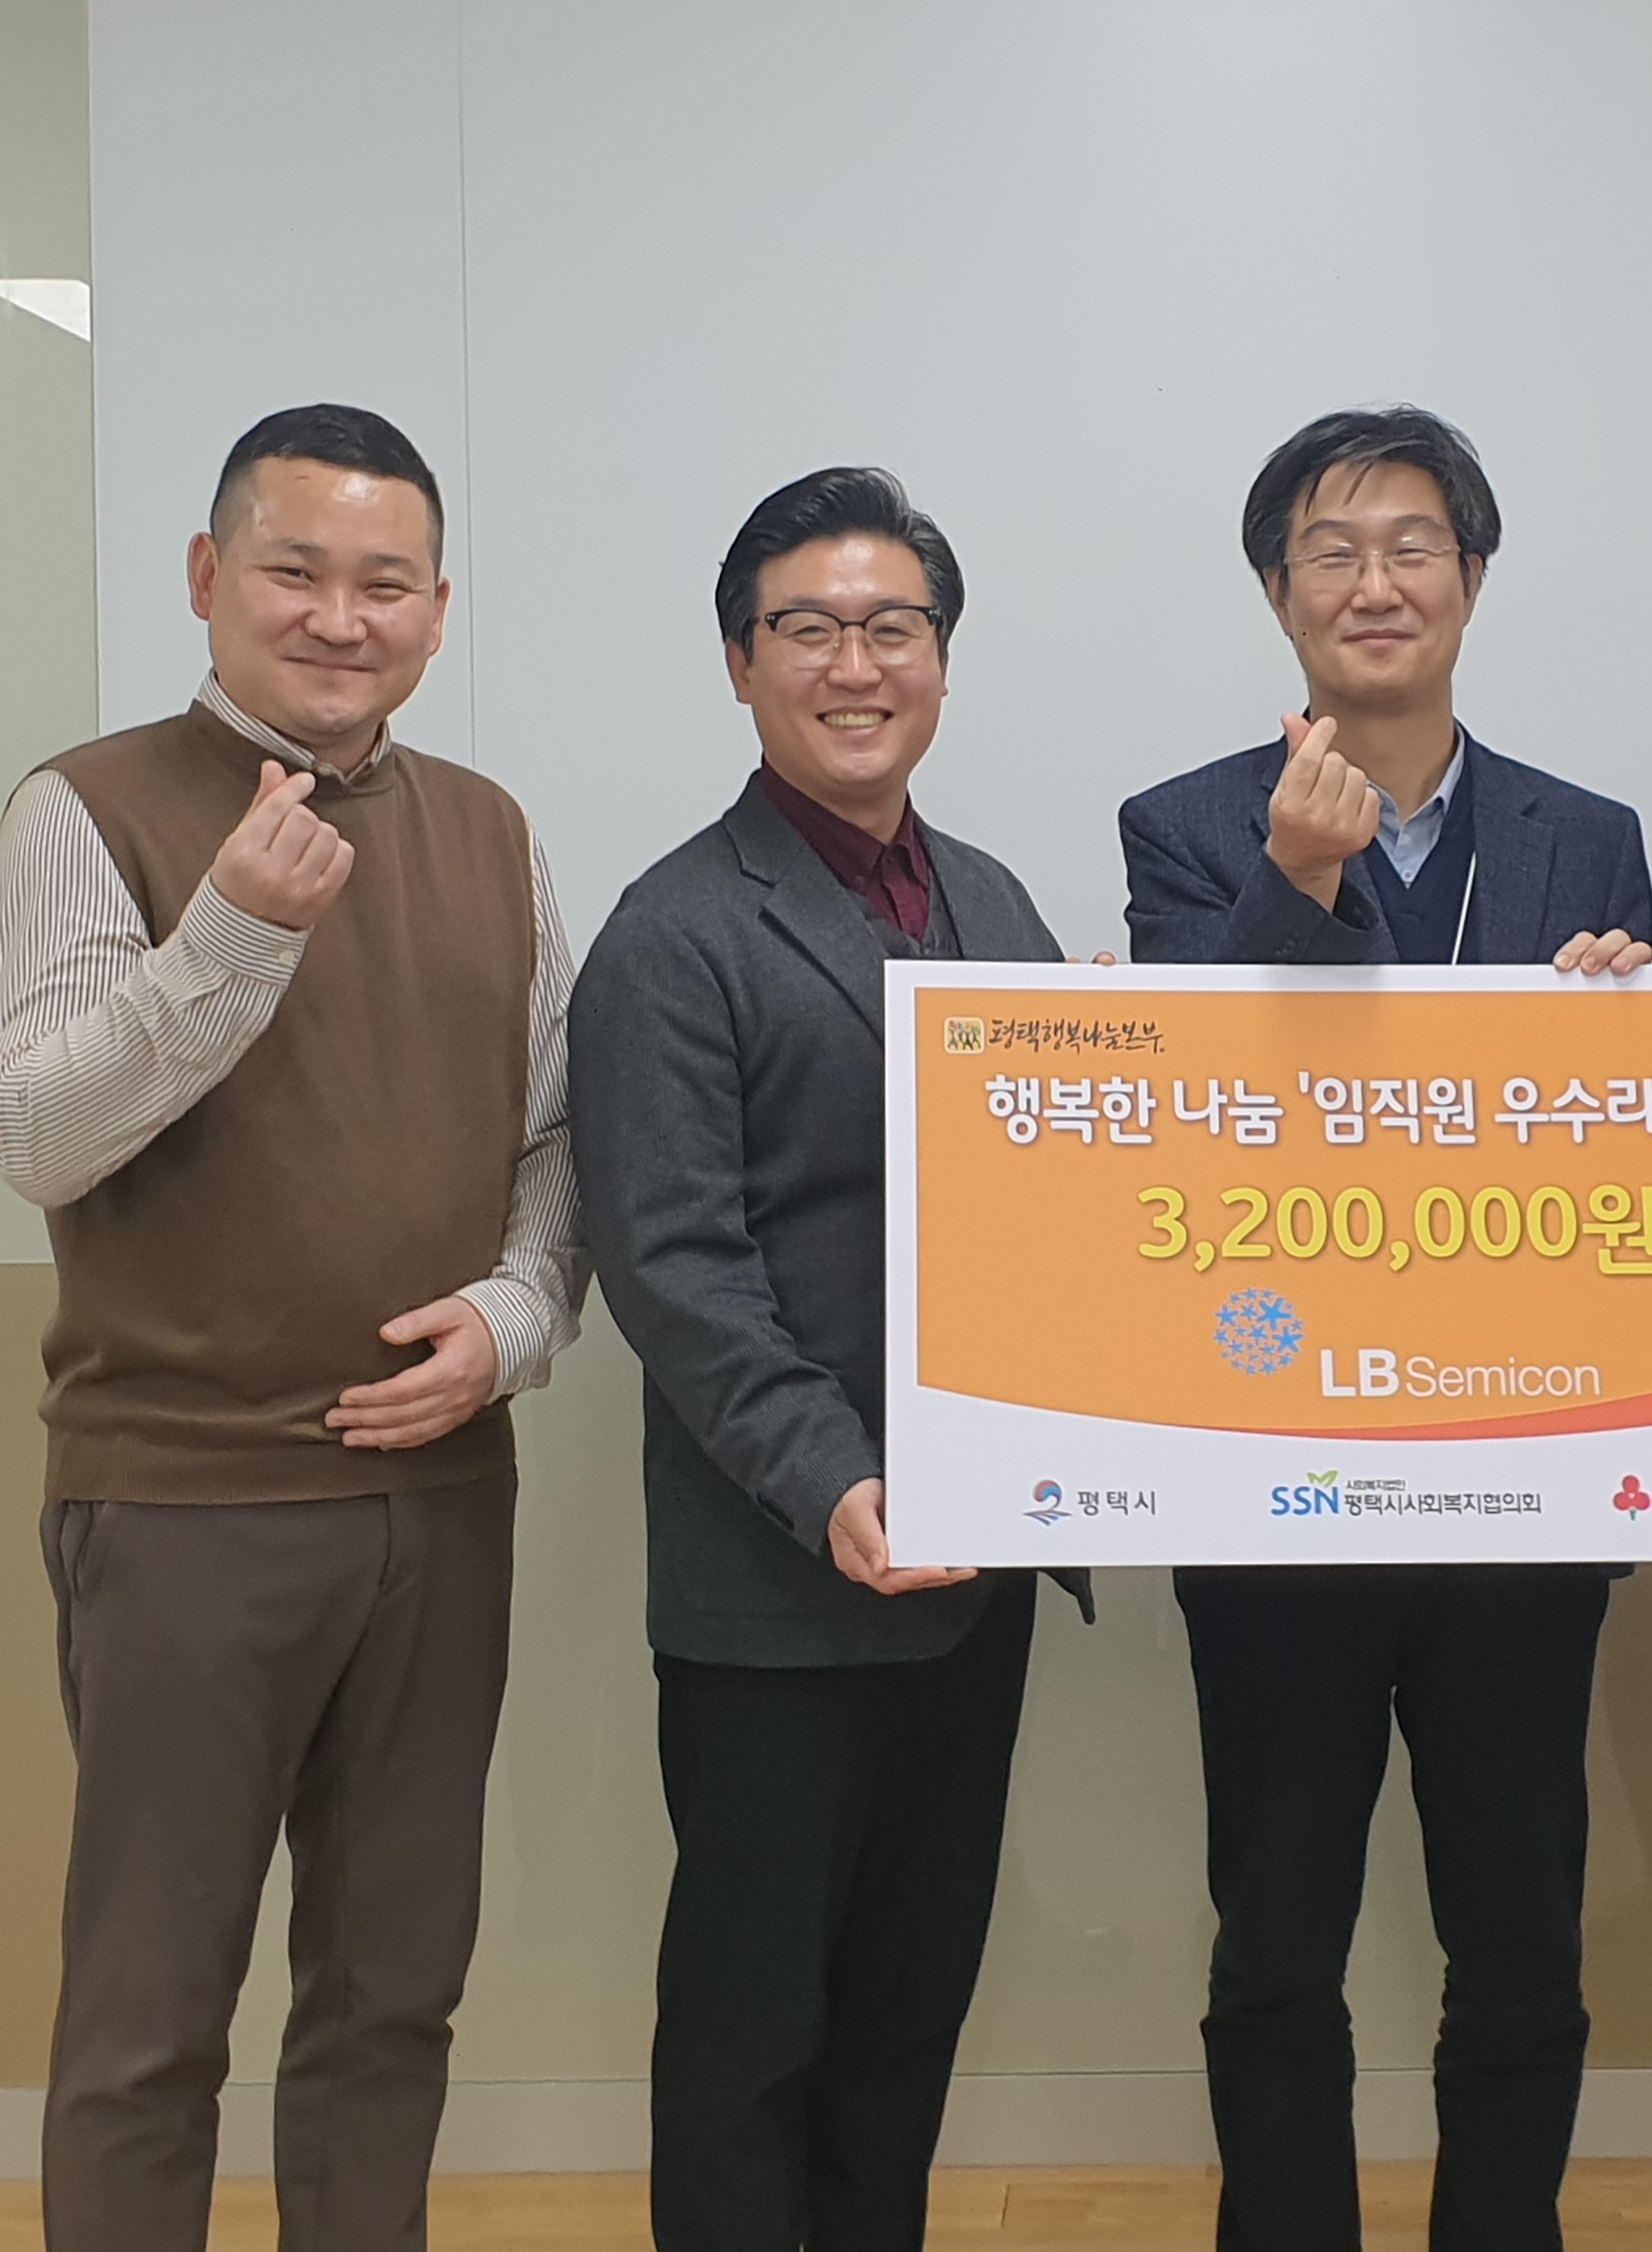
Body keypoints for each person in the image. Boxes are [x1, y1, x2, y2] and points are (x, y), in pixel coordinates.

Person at [0, 403, 583, 2252]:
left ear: (438, 610)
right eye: (294, 571)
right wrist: (232, 934)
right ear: (206, 578)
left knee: (393, 2001)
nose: (339, 617)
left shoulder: (488, 831)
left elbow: (555, 1143)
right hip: (184, 1501)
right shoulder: (87, 807)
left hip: (439, 1502)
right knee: (149, 2020)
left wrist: (514, 1319)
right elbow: (39, 1135)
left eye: (385, 583)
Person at [1118, 405, 1652, 2252]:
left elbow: (1626, 1168)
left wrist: (1635, 1016)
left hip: (1521, 1490)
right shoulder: (1188, 826)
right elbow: (1193, 1103)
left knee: (1520, 1938)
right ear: (1279, 595)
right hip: (1279, 1491)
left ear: (1473, 581)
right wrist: (1294, 883)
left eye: (1413, 544)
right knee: (1277, 1937)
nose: (1375, 582)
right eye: (1331, 552)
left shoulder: (1589, 837)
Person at [570, 466, 1082, 2252]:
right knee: (751, 2038)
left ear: (941, 658)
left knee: (901, 2028)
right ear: (741, 663)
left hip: (972, 1583)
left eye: (893, 628)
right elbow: (675, 1264)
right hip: (782, 1593)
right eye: (809, 628)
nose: (856, 665)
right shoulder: (675, 931)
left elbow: (1067, 1213)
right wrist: (834, 1477)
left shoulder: (996, 906)